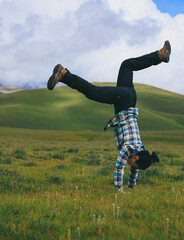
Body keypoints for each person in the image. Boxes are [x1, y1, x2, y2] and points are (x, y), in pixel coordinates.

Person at [47, 41, 171, 192]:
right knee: (92, 92)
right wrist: (119, 190)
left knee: (127, 65)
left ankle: (159, 55)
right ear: (136, 158)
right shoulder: (128, 149)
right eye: (131, 164)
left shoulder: (140, 150)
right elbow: (119, 167)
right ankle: (64, 74)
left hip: (130, 98)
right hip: (124, 101)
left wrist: (131, 187)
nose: (129, 165)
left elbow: (134, 171)